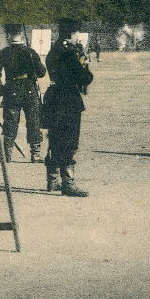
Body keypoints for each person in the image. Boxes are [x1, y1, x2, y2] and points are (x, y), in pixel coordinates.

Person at [43, 18, 94, 197]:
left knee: (55, 138)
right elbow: (85, 78)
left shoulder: (54, 50)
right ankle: (68, 182)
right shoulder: (69, 53)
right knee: (69, 140)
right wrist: (83, 63)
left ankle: (52, 179)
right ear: (73, 33)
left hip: (54, 97)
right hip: (68, 100)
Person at [0, 24, 46, 163]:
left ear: (8, 36)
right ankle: (36, 154)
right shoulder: (30, 52)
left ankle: (6, 155)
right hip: (29, 90)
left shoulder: (4, 53)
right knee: (33, 122)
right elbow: (42, 73)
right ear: (21, 35)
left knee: (10, 123)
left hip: (12, 91)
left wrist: (1, 90)